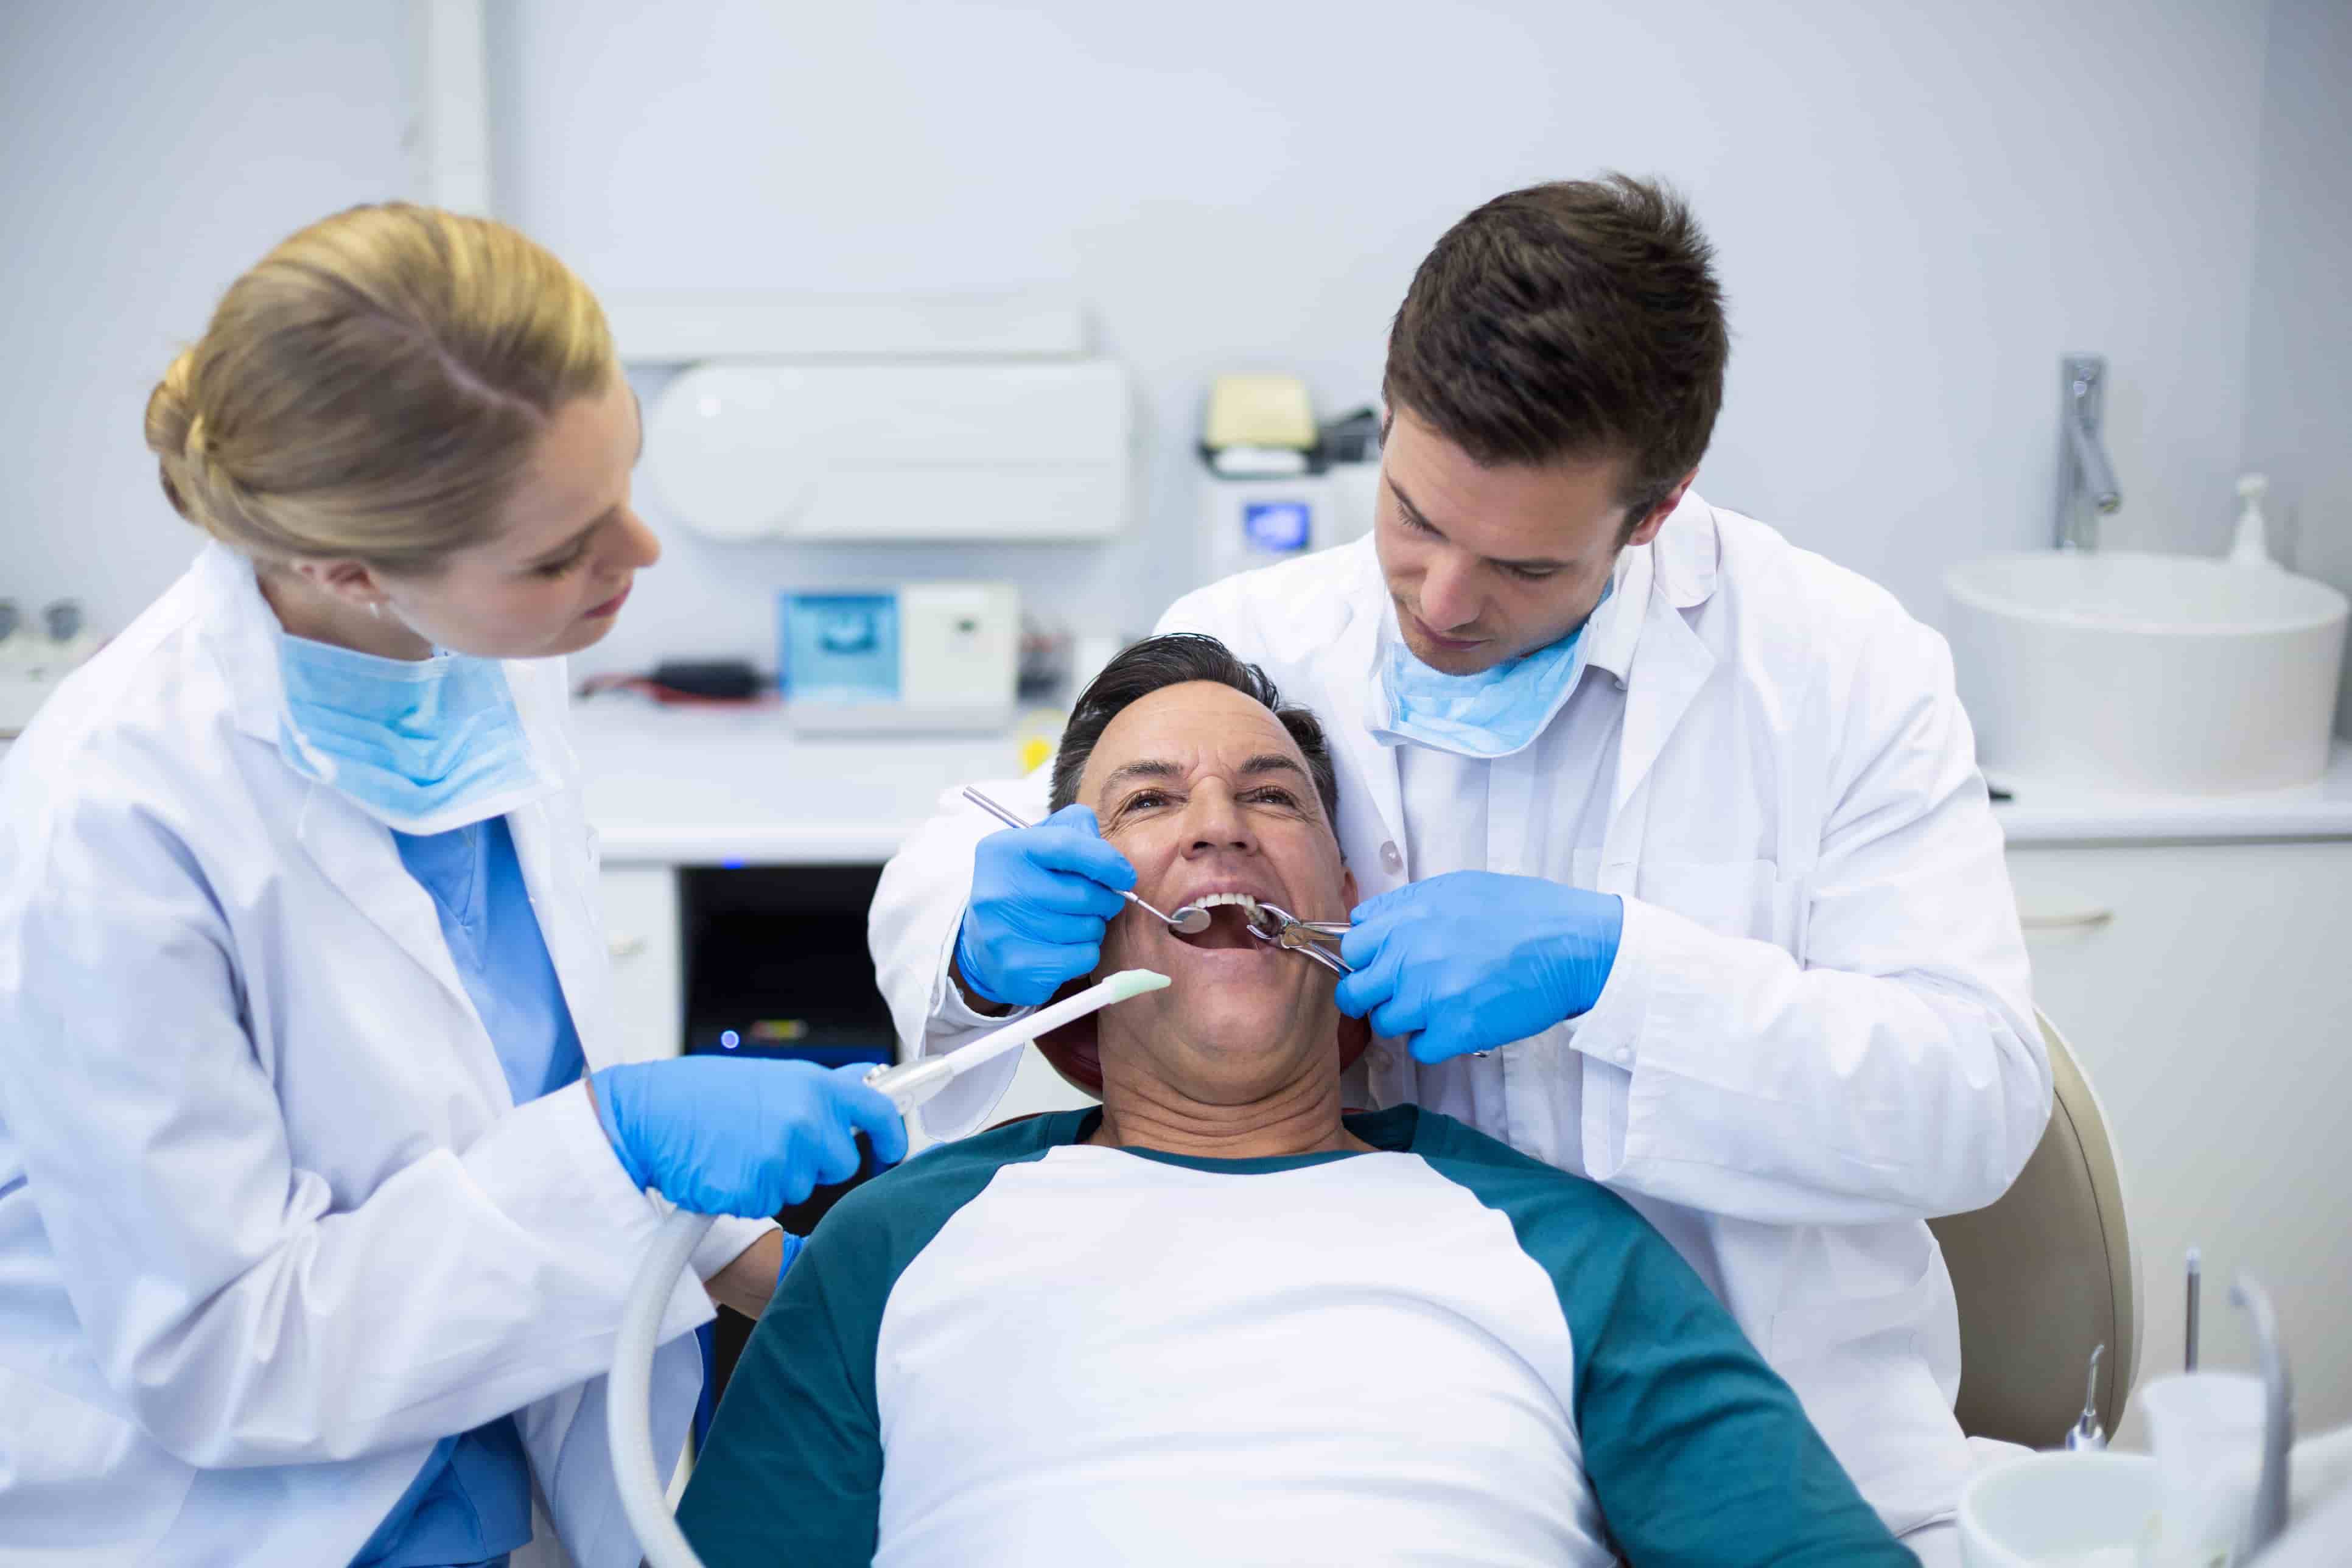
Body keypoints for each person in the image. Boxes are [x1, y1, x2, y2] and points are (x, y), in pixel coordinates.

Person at [869, 176, 2047, 1560]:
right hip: (1415, 1431)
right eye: (1414, 517)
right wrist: (971, 934)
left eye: (1521, 565)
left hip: (1775, 1437)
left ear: (1656, 511)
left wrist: (1625, 973)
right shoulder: (1260, 637)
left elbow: (1974, 1100)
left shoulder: (1841, 674)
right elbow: (1002, 834)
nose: (1438, 602)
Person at [0, 204, 905, 1568]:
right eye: (560, 553)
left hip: (495, 1449)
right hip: (245, 1515)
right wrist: (620, 1150)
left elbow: (498, 1095)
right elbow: (225, 1356)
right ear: (346, 570)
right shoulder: (114, 820)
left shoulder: (471, 660)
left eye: (623, 487)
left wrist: (812, 1272)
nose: (640, 560)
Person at [686, 635, 1911, 1567]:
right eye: (1150, 802)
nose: (1219, 826)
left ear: (1349, 898)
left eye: (1273, 796)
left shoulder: (1564, 1245)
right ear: (1068, 925)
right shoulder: (894, 1244)